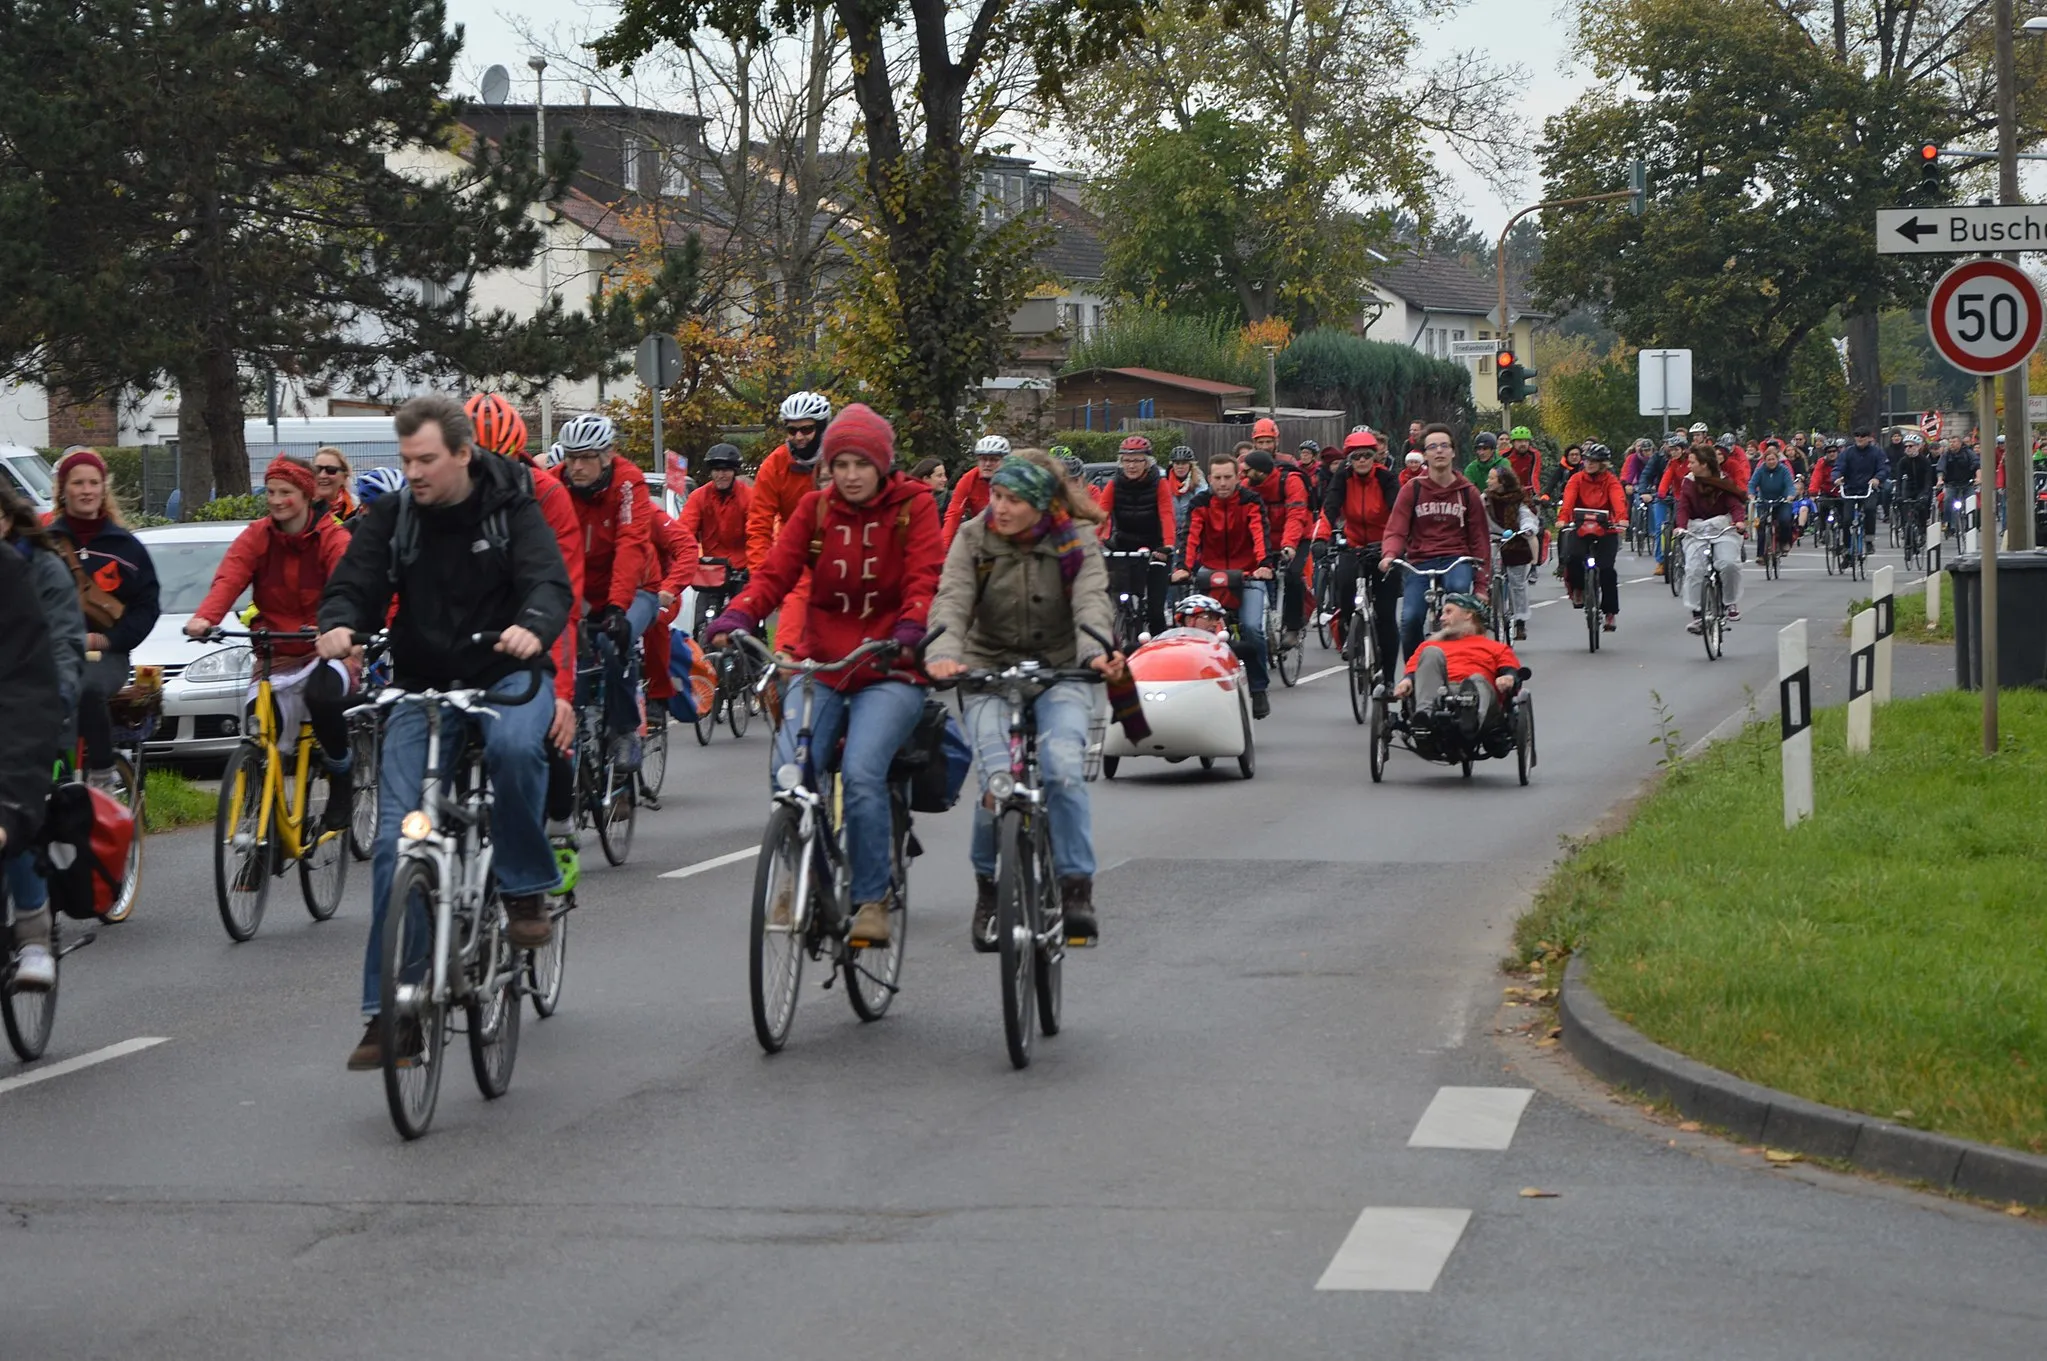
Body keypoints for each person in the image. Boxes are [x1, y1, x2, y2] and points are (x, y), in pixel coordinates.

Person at [317, 394, 573, 1069]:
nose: (416, 473)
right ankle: (391, 1015)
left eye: (426, 459)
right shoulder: (395, 515)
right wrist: (340, 622)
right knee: (400, 845)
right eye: (406, 461)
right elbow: (355, 580)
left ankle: (522, 885)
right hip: (423, 686)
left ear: (463, 453)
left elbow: (549, 581)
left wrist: (534, 625)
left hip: (505, 673)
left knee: (519, 750)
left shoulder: (513, 503)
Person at [707, 404, 943, 949]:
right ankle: (801, 880)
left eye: (862, 463)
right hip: (822, 666)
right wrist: (738, 615)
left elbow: (924, 578)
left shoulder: (914, 508)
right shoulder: (814, 510)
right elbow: (774, 574)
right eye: (841, 464)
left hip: (890, 669)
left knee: (861, 773)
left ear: (882, 465)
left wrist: (910, 629)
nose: (851, 474)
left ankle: (870, 899)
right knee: (789, 771)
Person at [926, 451, 1121, 948]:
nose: (1000, 507)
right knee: (995, 781)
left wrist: (1096, 652)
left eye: (1013, 500)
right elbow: (951, 599)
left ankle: (1076, 889)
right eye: (996, 496)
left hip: (1063, 670)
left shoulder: (1075, 541)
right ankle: (989, 891)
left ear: (1039, 504)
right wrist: (945, 653)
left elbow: (1091, 602)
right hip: (988, 669)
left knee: (1061, 767)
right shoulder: (974, 538)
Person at [185, 456, 357, 823]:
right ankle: (260, 827)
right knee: (259, 726)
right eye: (272, 492)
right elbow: (230, 577)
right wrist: (205, 618)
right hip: (275, 652)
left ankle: (342, 778)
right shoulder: (257, 535)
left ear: (307, 495)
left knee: (322, 698)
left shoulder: (332, 536)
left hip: (324, 648)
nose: (276, 500)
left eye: (286, 493)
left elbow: (346, 587)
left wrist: (333, 627)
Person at [466, 392, 584, 767]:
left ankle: (559, 813)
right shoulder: (442, 494)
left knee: (544, 741)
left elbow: (561, 596)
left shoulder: (546, 494)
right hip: (468, 641)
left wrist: (562, 693)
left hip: (534, 631)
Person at [1, 484, 86, 992]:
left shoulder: (39, 572)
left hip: (31, 713)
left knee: (17, 818)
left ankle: (33, 934)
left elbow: (60, 647)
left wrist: (57, 702)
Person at [43, 447, 161, 790]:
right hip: (51, 654)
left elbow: (147, 607)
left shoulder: (126, 547)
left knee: (87, 688)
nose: (85, 490)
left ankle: (101, 772)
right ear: (63, 490)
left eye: (93, 482)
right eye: (77, 483)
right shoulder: (44, 544)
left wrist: (107, 640)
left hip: (104, 656)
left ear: (103, 489)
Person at [557, 412, 657, 768]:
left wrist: (617, 608)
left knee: (615, 644)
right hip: (582, 594)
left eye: (586, 458)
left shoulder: (629, 483)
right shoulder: (556, 485)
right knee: (571, 658)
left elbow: (631, 545)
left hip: (635, 588)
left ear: (607, 455)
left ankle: (625, 729)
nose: (577, 467)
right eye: (571, 457)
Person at [0, 542, 67, 992]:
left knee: (11, 814)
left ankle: (32, 932)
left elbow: (29, 682)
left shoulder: (13, 574)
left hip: (13, 716)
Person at [1382, 424, 1491, 664]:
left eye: (1444, 446)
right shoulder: (1413, 489)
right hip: (1421, 561)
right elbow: (1396, 527)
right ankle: (1413, 675)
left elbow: (1479, 539)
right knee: (1410, 619)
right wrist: (1390, 554)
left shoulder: (1467, 492)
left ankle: (1459, 663)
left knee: (1459, 595)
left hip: (1457, 559)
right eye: (1432, 447)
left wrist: (1481, 585)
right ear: (1425, 454)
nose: (1439, 451)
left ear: (1453, 452)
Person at [1176, 452, 1274, 718]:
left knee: (1253, 627)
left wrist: (1264, 564)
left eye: (1228, 477)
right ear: (1209, 479)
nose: (1222, 483)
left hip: (1248, 572)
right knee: (1195, 628)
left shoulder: (1251, 501)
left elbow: (1259, 532)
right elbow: (1190, 536)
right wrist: (1183, 568)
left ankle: (1258, 688)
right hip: (1211, 572)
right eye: (1217, 478)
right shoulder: (1199, 503)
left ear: (1237, 478)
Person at [746, 392, 833, 650]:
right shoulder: (774, 465)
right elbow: (758, 524)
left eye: (807, 429)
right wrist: (761, 576)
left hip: (840, 542)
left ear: (822, 427)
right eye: (792, 430)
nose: (799, 437)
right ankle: (786, 668)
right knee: (792, 628)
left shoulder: (840, 459)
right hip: (795, 549)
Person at [1319, 429, 1403, 678]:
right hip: (1354, 544)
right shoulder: (1342, 479)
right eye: (1356, 457)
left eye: (1367, 455)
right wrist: (1321, 538)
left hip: (1384, 548)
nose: (1362, 461)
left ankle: (1387, 678)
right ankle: (1349, 633)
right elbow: (1329, 509)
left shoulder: (1387, 479)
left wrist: (1396, 545)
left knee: (1386, 615)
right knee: (1343, 590)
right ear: (1349, 459)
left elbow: (1398, 513)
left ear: (1375, 456)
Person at [1391, 593, 1522, 750]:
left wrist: (1508, 678)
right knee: (1431, 652)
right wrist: (1406, 681)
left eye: (1448, 612)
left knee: (1476, 680)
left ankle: (1471, 720)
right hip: (1439, 693)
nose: (1441, 618)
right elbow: (1413, 671)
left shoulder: (1495, 647)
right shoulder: (1428, 646)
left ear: (1468, 615)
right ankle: (1425, 719)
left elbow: (1511, 671)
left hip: (1480, 696)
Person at [1093, 434, 1178, 637]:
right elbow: (1100, 515)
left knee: (1155, 611)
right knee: (1116, 602)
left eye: (1137, 460)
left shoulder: (1160, 484)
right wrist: (1090, 541)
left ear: (1147, 462)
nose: (1131, 465)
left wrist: (1167, 545)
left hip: (1155, 549)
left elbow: (1167, 515)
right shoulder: (1114, 484)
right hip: (1124, 547)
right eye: (1127, 460)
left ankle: (1160, 650)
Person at [681, 443, 754, 636]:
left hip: (742, 567)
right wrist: (686, 558)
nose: (721, 475)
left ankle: (753, 658)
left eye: (726, 470)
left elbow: (758, 531)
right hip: (712, 568)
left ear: (734, 471)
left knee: (748, 619)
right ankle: (703, 649)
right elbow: (684, 531)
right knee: (701, 624)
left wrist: (756, 564)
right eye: (716, 470)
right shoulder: (698, 497)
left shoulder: (748, 496)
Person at [1555, 443, 1629, 632]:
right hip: (1581, 528)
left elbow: (1618, 500)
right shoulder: (1577, 479)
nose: (1589, 464)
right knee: (1573, 558)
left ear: (1603, 463)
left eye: (1594, 461)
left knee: (1606, 570)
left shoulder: (1610, 481)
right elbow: (1569, 499)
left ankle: (1610, 613)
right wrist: (1563, 519)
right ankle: (1578, 589)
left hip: (1607, 530)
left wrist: (1621, 520)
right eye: (1587, 460)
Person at [1240, 447, 1311, 645]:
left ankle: (1294, 626)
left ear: (1260, 472)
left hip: (1297, 537)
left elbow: (1296, 516)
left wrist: (1289, 544)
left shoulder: (1290, 481)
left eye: (1247, 470)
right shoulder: (1247, 485)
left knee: (1293, 575)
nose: (1243, 475)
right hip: (1264, 538)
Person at [1676, 444, 1748, 632]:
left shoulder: (1723, 481)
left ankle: (1730, 602)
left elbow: (1735, 504)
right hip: (1696, 530)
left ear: (1704, 464)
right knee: (1694, 569)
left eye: (1692, 462)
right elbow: (1683, 507)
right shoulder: (1688, 482)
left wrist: (1739, 522)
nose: (1688, 466)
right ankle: (1698, 613)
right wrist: (1681, 527)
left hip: (1722, 528)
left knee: (1728, 564)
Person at [1484, 466, 1541, 640]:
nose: (1488, 481)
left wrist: (1527, 529)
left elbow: (1526, 517)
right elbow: (1474, 516)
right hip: (1493, 540)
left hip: (1515, 541)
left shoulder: (1518, 500)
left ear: (1502, 482)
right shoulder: (1484, 499)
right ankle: (1489, 610)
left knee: (1517, 583)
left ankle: (1520, 622)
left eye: (1492, 478)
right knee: (1486, 575)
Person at [942, 434, 1012, 546]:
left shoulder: (1016, 479)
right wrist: (944, 549)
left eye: (994, 460)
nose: (987, 464)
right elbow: (953, 514)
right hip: (984, 534)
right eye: (983, 459)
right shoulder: (969, 479)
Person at [1747, 443, 1797, 564]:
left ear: (1777, 459)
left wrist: (1790, 496)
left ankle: (1784, 542)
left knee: (1785, 520)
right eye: (1768, 460)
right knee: (1761, 526)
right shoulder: (1760, 471)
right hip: (1764, 501)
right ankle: (1760, 555)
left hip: (1782, 501)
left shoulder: (1783, 470)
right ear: (1765, 460)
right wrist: (1751, 495)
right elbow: (1752, 484)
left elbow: (1790, 485)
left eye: (1773, 459)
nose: (1771, 462)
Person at [1837, 428, 1887, 545]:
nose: (1860, 438)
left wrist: (1877, 478)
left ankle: (1869, 539)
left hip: (1868, 489)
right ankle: (1846, 546)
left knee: (1870, 509)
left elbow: (1883, 468)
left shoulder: (1877, 452)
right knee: (1847, 519)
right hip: (1850, 489)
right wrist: (1837, 477)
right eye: (1857, 435)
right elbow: (1839, 467)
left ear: (1869, 438)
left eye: (1863, 435)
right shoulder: (1847, 452)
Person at [1167, 446, 1205, 547]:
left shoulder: (1199, 482)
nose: (1180, 466)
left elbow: (1202, 503)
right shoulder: (1165, 481)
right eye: (1177, 463)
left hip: (1192, 533)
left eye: (1184, 463)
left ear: (1190, 465)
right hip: (1171, 534)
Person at [310, 448, 359, 523]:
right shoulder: (301, 509)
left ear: (344, 476)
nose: (322, 475)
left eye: (331, 470)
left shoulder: (357, 509)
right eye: (317, 469)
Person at [1506, 427, 1541, 494]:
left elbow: (1534, 476)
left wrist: (1536, 493)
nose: (1523, 444)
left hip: (1527, 492)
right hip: (1509, 492)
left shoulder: (1534, 454)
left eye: (1526, 441)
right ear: (1513, 442)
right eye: (1519, 441)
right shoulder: (1504, 455)